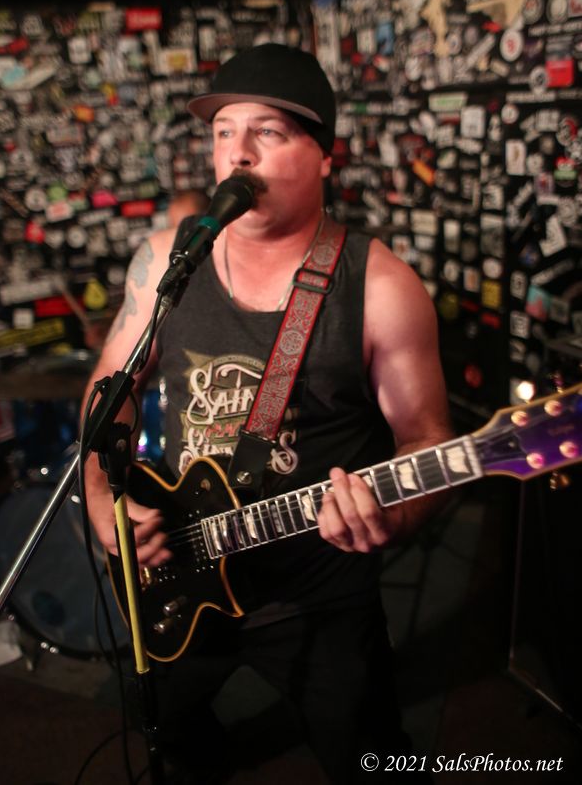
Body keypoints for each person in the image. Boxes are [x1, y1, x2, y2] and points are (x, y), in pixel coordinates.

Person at [83, 43, 453, 783]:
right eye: (223, 132)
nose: (237, 153)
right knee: (172, 741)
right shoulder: (165, 263)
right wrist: (102, 504)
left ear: (325, 157)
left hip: (318, 594)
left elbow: (428, 441)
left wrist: (394, 514)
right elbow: (109, 396)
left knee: (370, 759)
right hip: (182, 567)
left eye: (268, 132)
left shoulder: (380, 285)